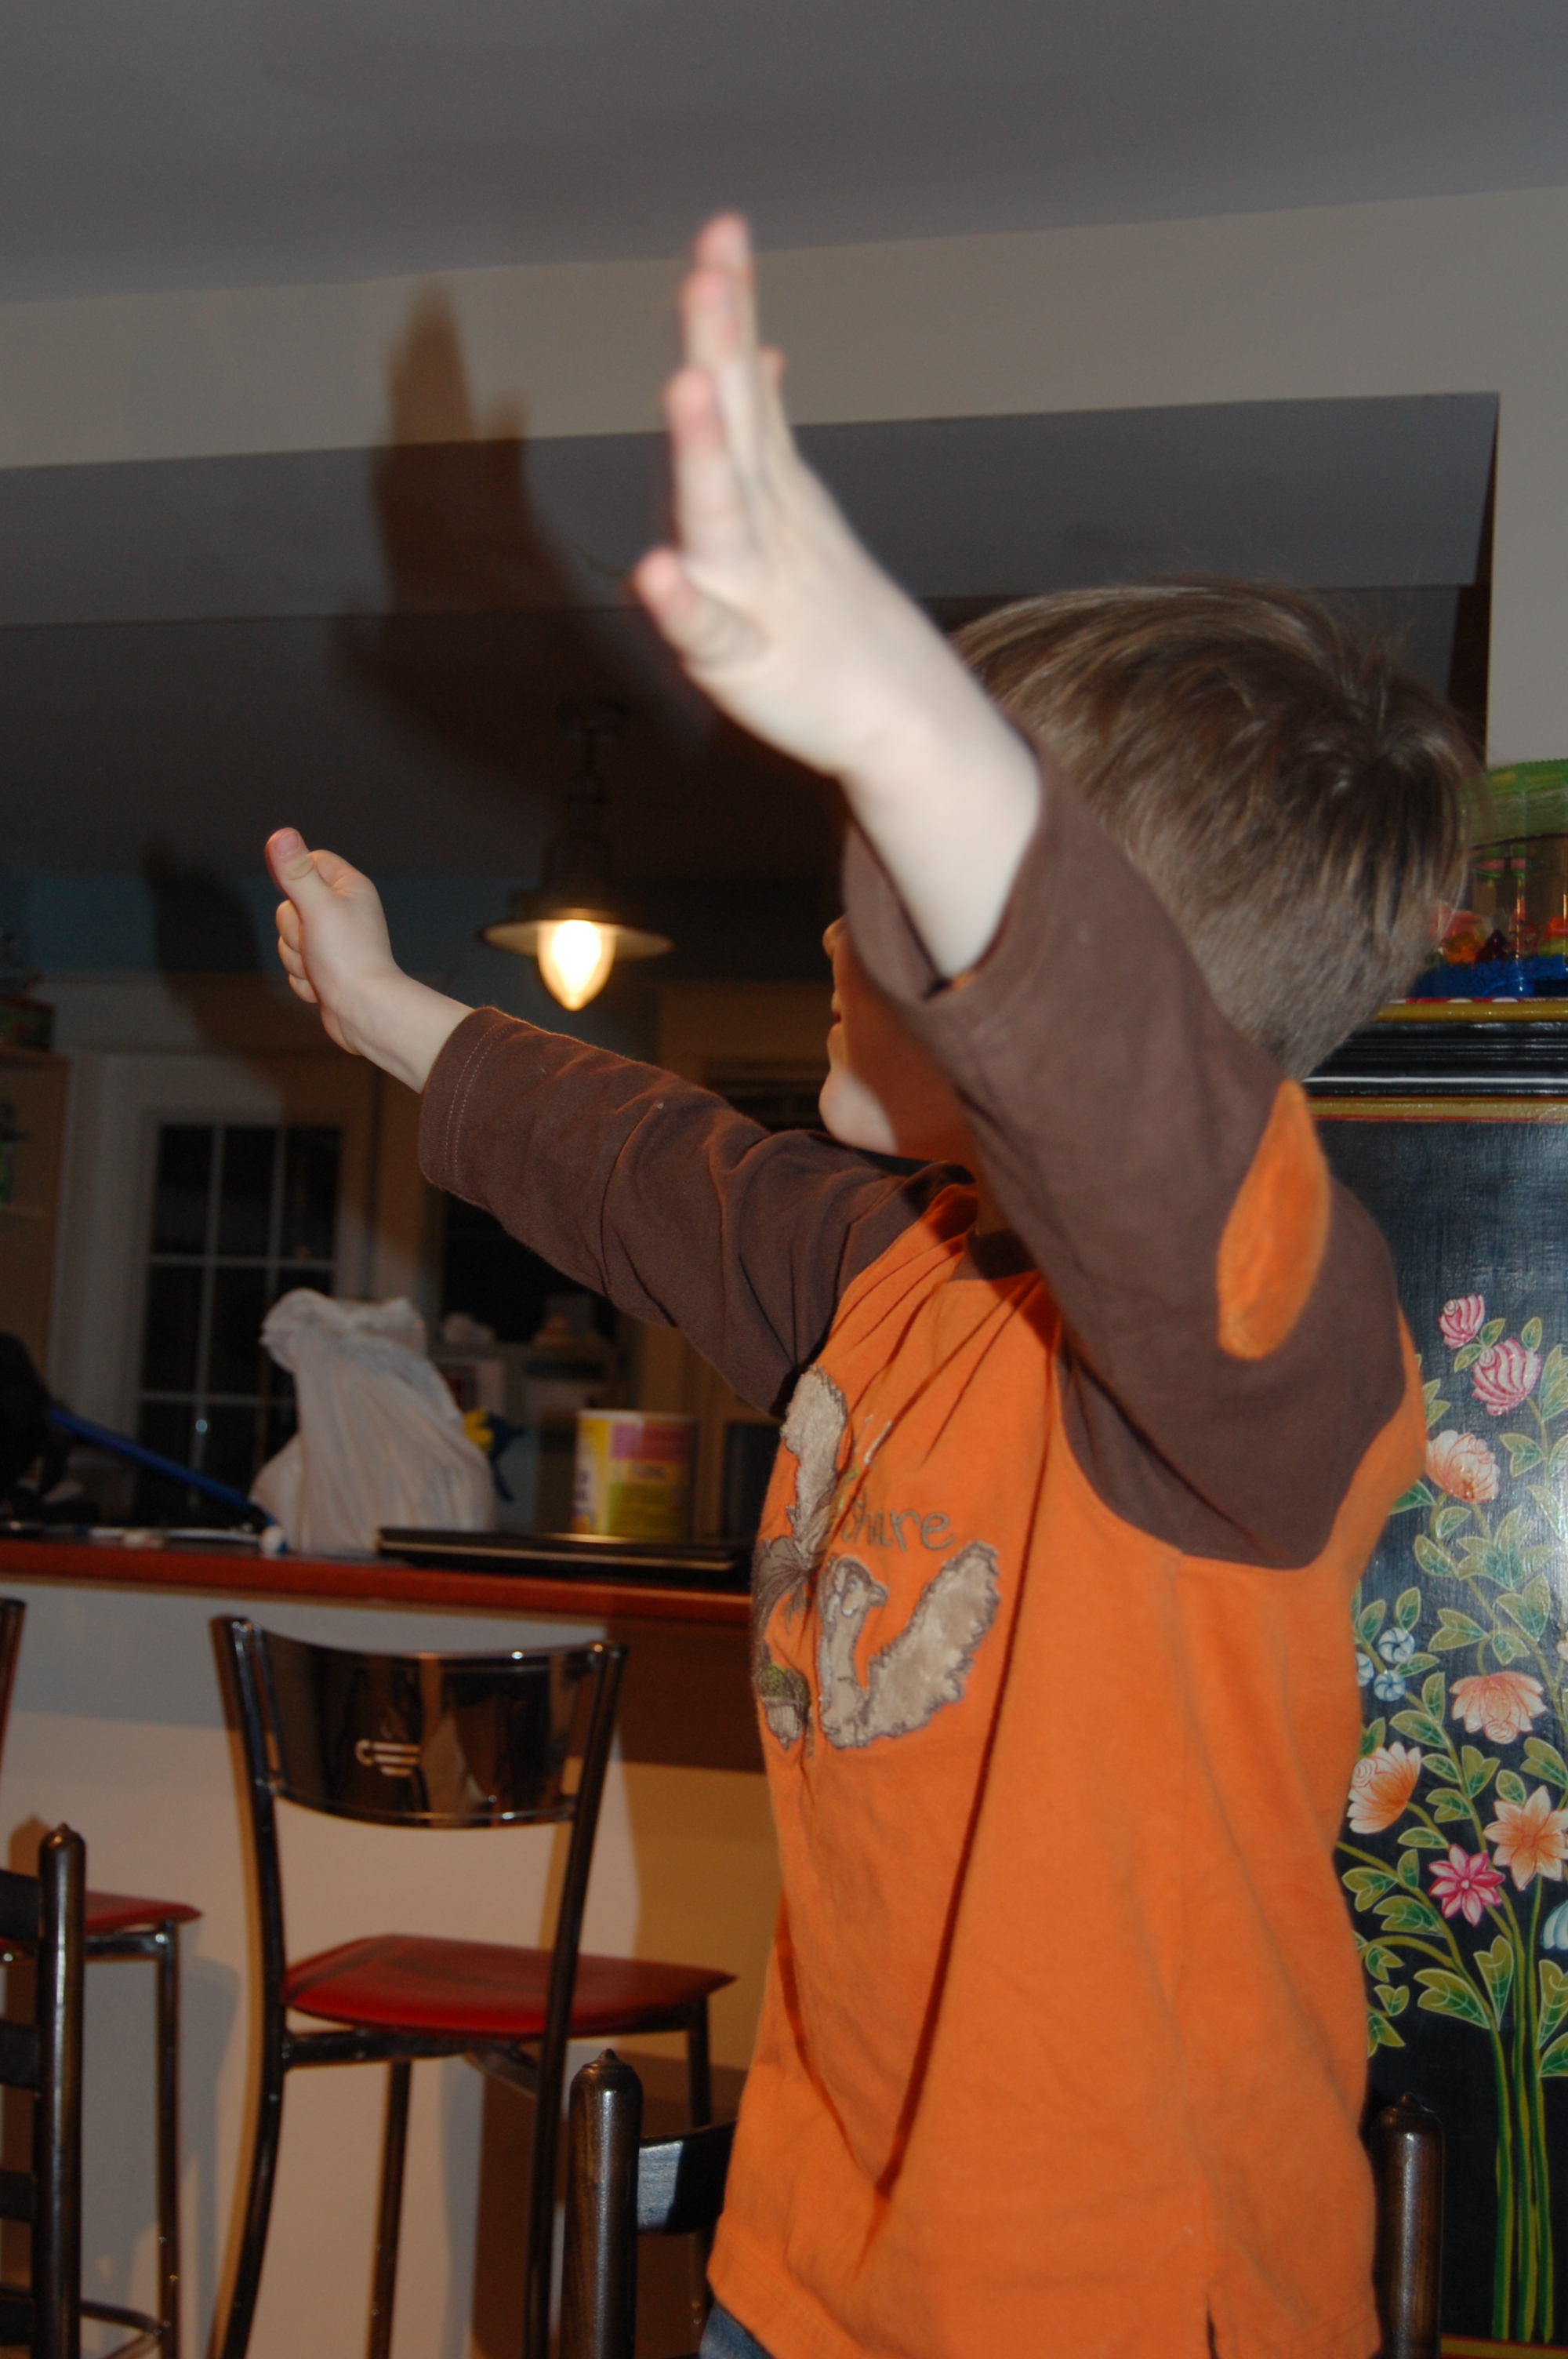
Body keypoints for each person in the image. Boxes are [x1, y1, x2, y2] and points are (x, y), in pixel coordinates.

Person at [264, 217, 1475, 2359]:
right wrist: (382, 1016)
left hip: (1118, 2306)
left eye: (893, 878)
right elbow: (660, 1175)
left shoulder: (1269, 1343)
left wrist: (906, 718)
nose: (843, 925)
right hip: (816, 2258)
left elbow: (1142, 1110)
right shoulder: (902, 1270)